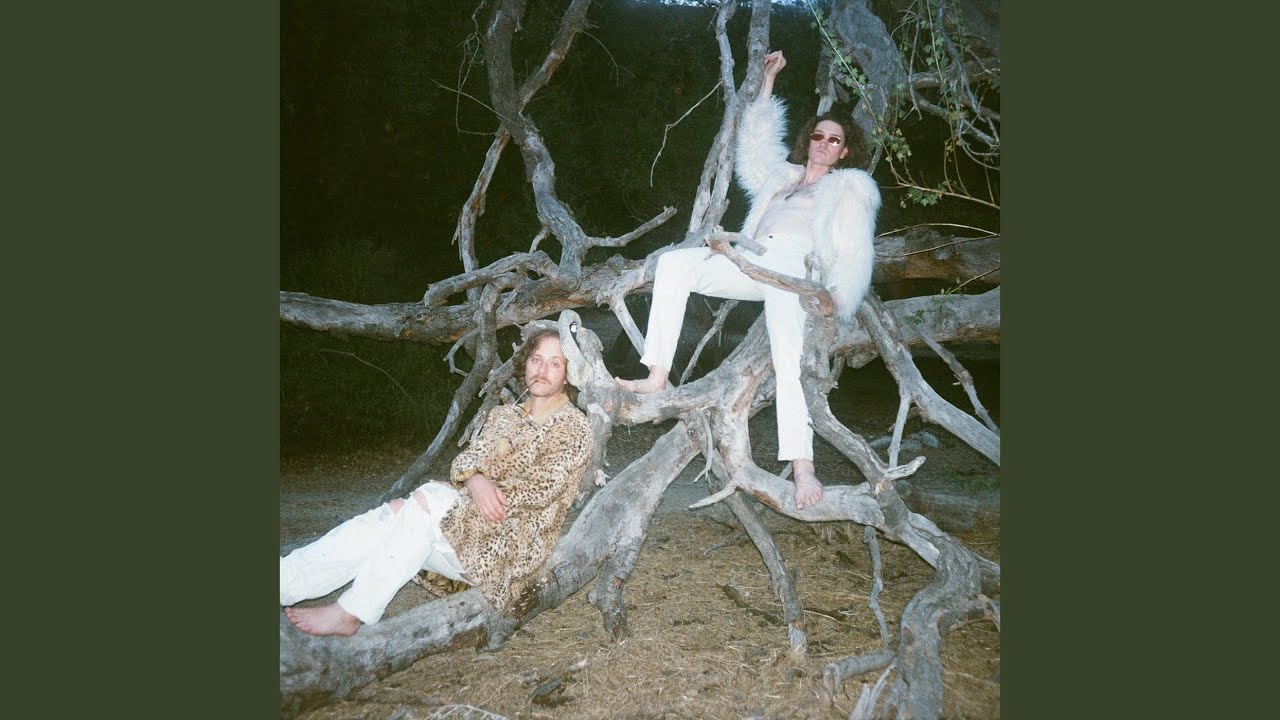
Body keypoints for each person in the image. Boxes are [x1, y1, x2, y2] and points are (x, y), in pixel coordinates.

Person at [614, 50, 880, 510]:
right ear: (808, 141)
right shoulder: (782, 177)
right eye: (817, 136)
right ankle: (657, 374)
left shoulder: (849, 187)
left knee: (788, 359)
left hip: (794, 272)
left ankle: (803, 466)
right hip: (751, 258)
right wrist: (768, 82)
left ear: (845, 150)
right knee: (675, 264)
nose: (823, 143)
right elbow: (755, 146)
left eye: (834, 140)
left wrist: (838, 296)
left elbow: (856, 248)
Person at [281, 327, 593, 636]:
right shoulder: (504, 416)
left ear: (566, 375)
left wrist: (467, 491)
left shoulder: (573, 426)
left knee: (428, 499)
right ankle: (285, 581)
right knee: (392, 513)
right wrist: (473, 482)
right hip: (471, 532)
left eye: (554, 363)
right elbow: (467, 461)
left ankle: (352, 612)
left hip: (510, 550)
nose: (542, 370)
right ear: (525, 362)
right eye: (536, 359)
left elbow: (538, 488)